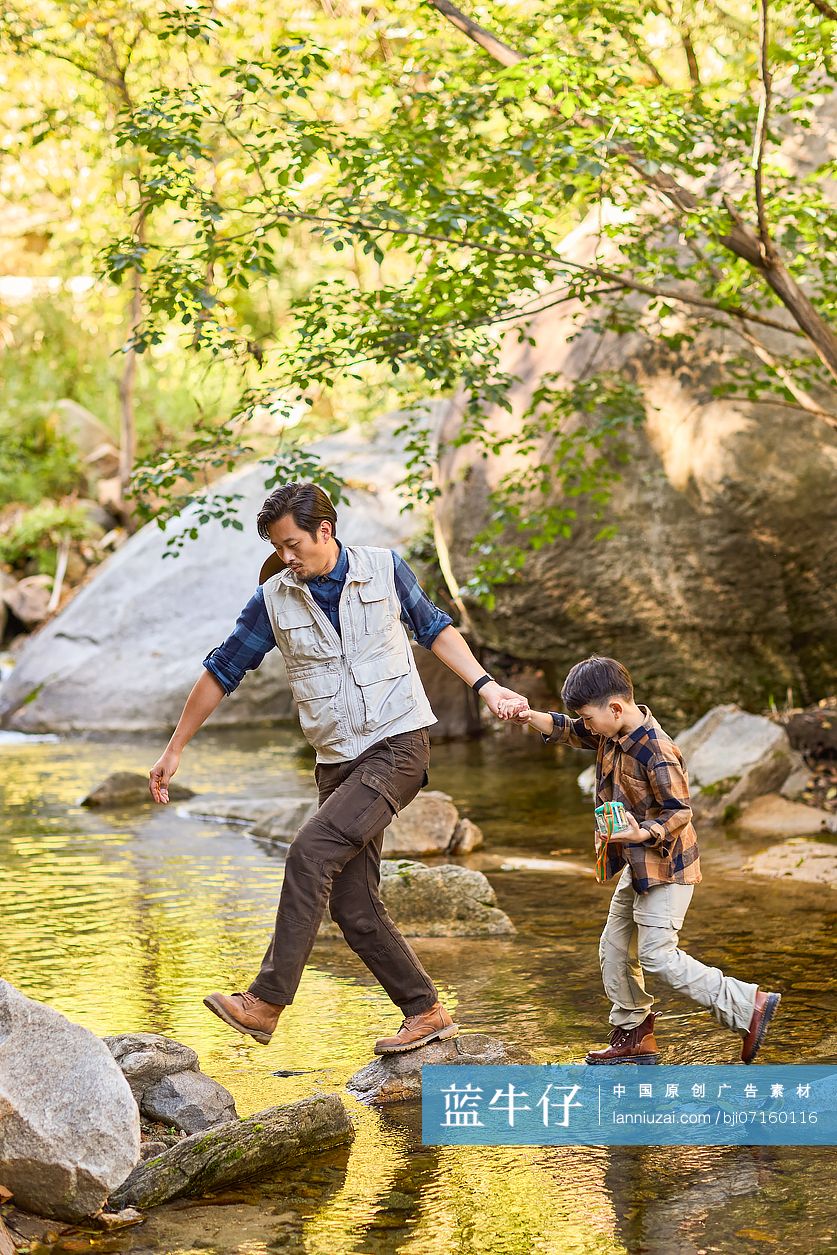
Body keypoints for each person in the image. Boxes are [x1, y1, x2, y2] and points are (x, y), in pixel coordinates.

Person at [149, 481, 527, 1054]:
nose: (286, 557)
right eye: (278, 547)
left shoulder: (383, 569)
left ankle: (266, 1002)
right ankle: (424, 1010)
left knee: (308, 852)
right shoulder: (274, 599)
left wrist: (486, 687)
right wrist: (175, 747)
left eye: (293, 543)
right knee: (352, 905)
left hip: (398, 745)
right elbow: (222, 670)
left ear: (325, 530)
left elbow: (436, 630)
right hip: (336, 762)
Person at [498, 655, 781, 1065]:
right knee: (614, 947)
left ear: (615, 708)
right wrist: (528, 717)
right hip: (639, 867)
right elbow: (569, 730)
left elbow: (680, 811)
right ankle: (634, 1034)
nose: (586, 725)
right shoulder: (610, 733)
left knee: (657, 955)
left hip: (667, 868)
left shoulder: (657, 750)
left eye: (589, 716)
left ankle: (747, 1004)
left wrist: (642, 832)